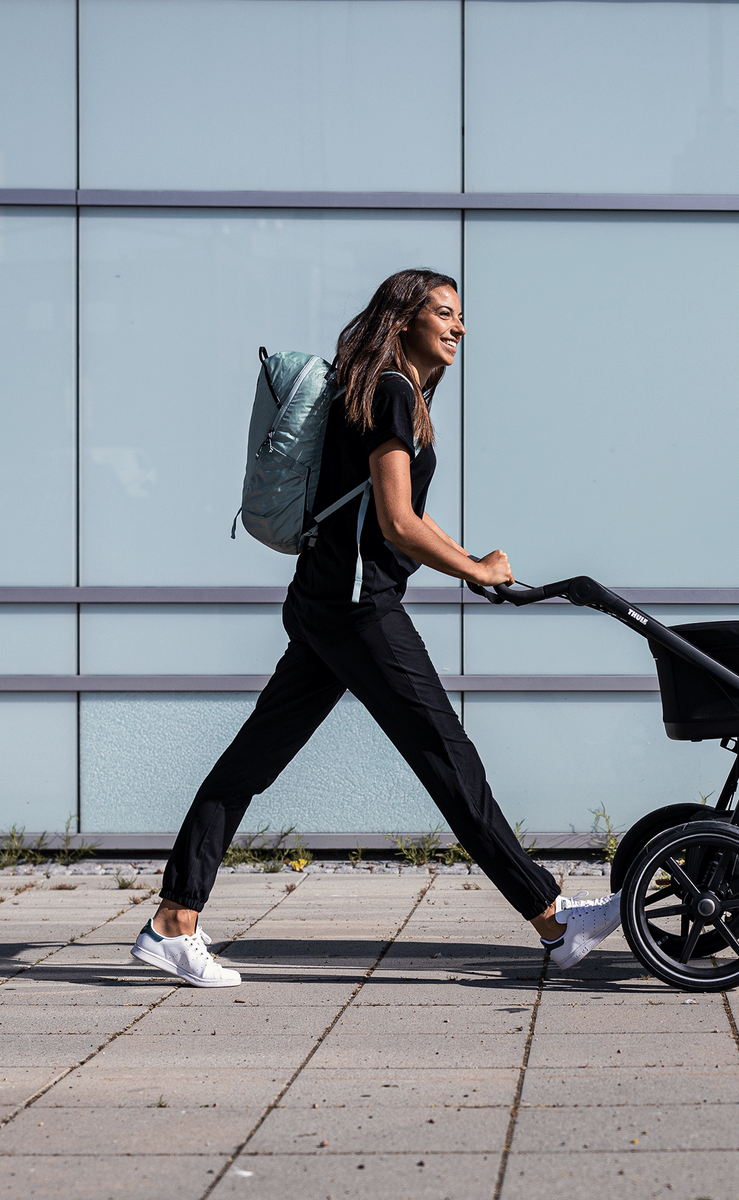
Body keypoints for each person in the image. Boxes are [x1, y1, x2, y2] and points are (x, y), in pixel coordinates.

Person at [131, 269, 622, 987]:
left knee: (251, 763)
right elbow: (396, 522)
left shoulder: (395, 395)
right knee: (449, 760)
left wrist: (472, 560)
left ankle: (174, 923)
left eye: (461, 317)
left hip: (328, 602)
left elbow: (404, 517)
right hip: (359, 611)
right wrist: (474, 569)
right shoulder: (391, 393)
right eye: (444, 314)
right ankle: (554, 920)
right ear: (402, 321)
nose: (458, 328)